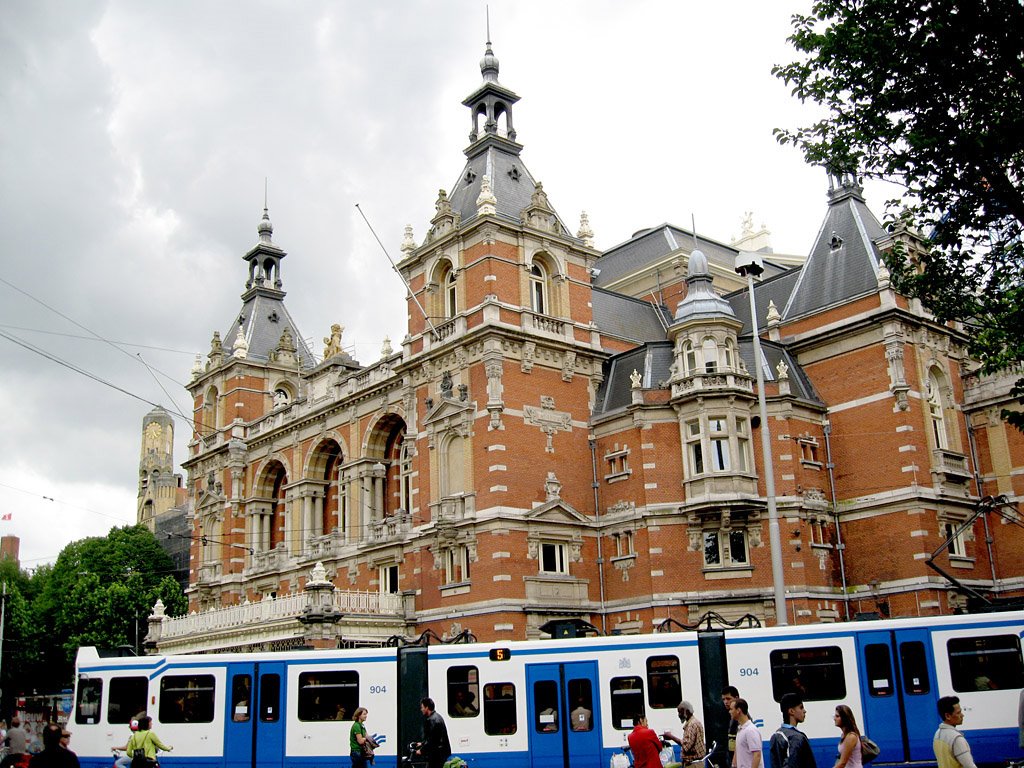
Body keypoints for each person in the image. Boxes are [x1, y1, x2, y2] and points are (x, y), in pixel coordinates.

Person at [769, 693, 816, 768]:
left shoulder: (776, 734)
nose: (804, 711)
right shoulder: (795, 737)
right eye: (801, 708)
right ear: (791, 711)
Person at [933, 696, 977, 768]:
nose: (962, 715)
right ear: (948, 716)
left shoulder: (937, 735)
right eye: (958, 713)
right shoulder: (956, 738)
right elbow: (969, 766)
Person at [663, 701, 706, 766]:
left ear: (688, 712)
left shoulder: (692, 725)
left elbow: (686, 746)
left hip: (694, 764)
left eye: (680, 712)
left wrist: (671, 737)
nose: (679, 715)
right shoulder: (694, 722)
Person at [416, 698, 451, 768]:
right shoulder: (437, 717)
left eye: (422, 707)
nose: (421, 709)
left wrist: (421, 750)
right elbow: (435, 737)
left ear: (427, 708)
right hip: (441, 753)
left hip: (436, 754)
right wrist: (422, 743)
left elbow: (432, 740)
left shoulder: (432, 720)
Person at [731, 698, 762, 768]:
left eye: (731, 709)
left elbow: (757, 755)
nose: (730, 712)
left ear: (738, 710)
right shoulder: (740, 729)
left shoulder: (750, 730)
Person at [722, 686, 740, 767]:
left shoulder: (740, 718)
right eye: (723, 699)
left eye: (728, 699)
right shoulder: (731, 717)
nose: (725, 702)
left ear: (736, 698)